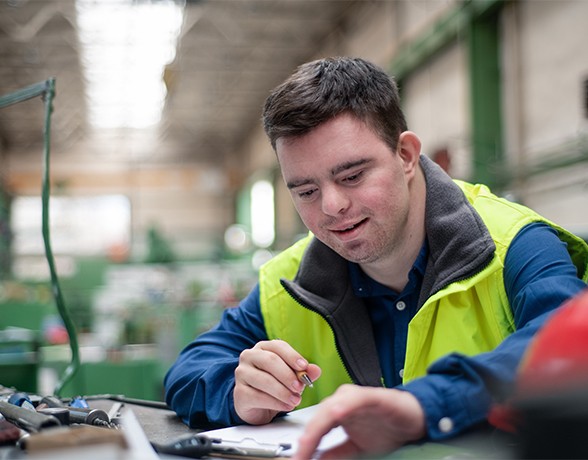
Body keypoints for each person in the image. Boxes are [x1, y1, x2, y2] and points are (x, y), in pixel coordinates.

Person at [164, 57, 588, 457]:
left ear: (405, 155)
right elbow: (188, 369)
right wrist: (236, 392)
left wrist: (426, 403)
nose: (331, 206)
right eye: (306, 191)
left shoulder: (514, 245)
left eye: (352, 176)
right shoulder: (290, 281)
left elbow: (570, 353)